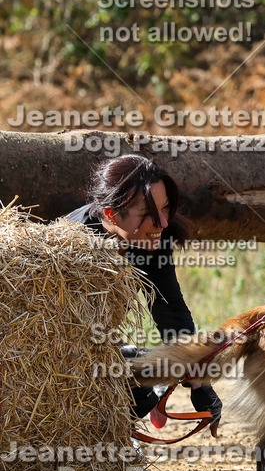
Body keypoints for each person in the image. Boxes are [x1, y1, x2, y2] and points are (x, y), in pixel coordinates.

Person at [65, 154, 222, 435]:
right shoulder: (73, 241)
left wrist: (198, 380)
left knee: (138, 391)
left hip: (100, 344)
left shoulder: (152, 240)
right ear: (112, 214)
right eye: (149, 213)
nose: (162, 222)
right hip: (64, 351)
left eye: (165, 209)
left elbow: (170, 308)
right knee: (123, 388)